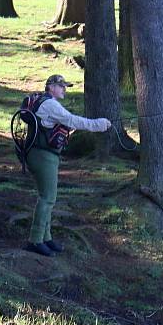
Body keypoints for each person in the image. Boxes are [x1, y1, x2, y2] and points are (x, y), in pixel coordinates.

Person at [25, 75, 111, 257]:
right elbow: (72, 121)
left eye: (65, 86)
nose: (65, 89)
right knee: (47, 198)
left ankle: (46, 238)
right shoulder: (50, 105)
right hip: (43, 156)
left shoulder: (45, 102)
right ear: (51, 87)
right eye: (62, 86)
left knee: (48, 197)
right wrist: (99, 124)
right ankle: (35, 240)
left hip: (41, 155)